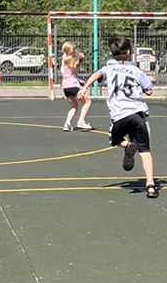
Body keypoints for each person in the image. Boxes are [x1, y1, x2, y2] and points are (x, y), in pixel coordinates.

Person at [80, 36, 160, 198]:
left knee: (114, 140)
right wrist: (143, 89)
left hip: (119, 116)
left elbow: (96, 75)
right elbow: (149, 90)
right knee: (145, 150)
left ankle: (128, 145)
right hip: (137, 114)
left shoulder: (108, 69)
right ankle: (151, 185)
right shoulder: (136, 70)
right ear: (129, 52)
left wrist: (84, 88)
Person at [59, 42, 94, 132]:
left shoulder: (64, 59)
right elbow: (74, 65)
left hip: (66, 88)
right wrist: (80, 59)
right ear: (70, 50)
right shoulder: (69, 59)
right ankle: (81, 121)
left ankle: (67, 123)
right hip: (73, 86)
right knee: (87, 102)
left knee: (74, 106)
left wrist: (79, 81)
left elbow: (73, 69)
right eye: (73, 49)